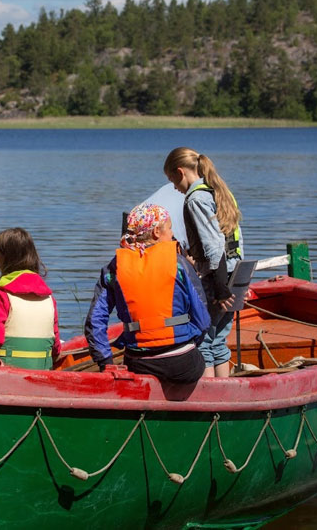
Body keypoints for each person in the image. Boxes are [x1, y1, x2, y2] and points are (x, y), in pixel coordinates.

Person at [84, 204, 210, 384]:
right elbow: (203, 319)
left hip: (139, 363)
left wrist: (106, 362)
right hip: (182, 364)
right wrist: (191, 342)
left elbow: (94, 321)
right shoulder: (179, 264)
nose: (172, 233)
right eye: (170, 228)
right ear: (157, 232)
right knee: (202, 359)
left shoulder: (114, 268)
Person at [163, 147, 244, 378]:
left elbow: (214, 246)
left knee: (203, 340)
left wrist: (220, 290)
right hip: (236, 274)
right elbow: (229, 241)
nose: (174, 188)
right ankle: (224, 395)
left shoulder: (196, 199)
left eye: (172, 180)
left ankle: (209, 398)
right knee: (219, 340)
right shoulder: (219, 192)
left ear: (180, 172)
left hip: (218, 280)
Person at [0, 228, 61, 369]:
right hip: (43, 371)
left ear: (4, 257)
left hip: (6, 372)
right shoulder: (48, 297)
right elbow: (56, 345)